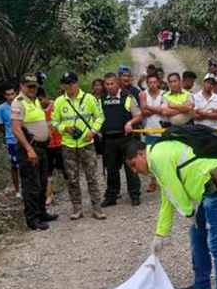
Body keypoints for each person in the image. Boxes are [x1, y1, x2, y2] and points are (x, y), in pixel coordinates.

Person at [125, 141, 217, 289]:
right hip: (209, 191)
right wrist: (160, 234)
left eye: (133, 164)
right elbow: (167, 199)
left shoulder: (157, 157)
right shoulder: (158, 160)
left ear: (141, 154)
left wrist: (188, 212)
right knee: (197, 236)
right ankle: (202, 286)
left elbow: (174, 189)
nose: (134, 171)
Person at [51, 70, 106, 220]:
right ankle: (77, 208)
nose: (67, 87)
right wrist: (64, 128)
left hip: (86, 143)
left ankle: (97, 208)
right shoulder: (59, 101)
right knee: (72, 178)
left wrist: (93, 132)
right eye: (65, 84)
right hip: (68, 145)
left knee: (92, 177)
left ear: (76, 84)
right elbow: (54, 122)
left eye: (70, 84)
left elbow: (100, 117)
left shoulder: (89, 99)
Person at [12, 74, 59, 230]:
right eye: (29, 86)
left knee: (42, 183)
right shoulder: (19, 103)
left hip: (42, 147)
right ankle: (32, 219)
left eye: (34, 86)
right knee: (32, 184)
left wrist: (47, 131)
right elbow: (16, 129)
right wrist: (28, 148)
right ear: (21, 86)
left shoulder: (34, 101)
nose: (32, 89)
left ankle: (41, 212)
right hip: (29, 149)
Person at [100, 72, 143, 207]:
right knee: (111, 169)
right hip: (109, 140)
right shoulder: (100, 100)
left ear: (117, 83)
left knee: (130, 168)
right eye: (107, 84)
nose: (110, 86)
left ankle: (135, 195)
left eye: (112, 83)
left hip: (126, 139)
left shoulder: (128, 98)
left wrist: (130, 123)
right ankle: (111, 196)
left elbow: (139, 115)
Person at [41, 87, 69, 205]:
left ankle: (71, 189)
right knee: (48, 170)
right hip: (46, 145)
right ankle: (50, 194)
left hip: (60, 143)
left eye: (41, 99)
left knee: (64, 168)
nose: (39, 102)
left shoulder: (55, 106)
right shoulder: (37, 110)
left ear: (46, 97)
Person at [140, 71, 165, 194]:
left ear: (158, 83)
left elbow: (165, 111)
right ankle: (153, 181)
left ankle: (165, 180)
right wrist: (157, 110)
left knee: (164, 156)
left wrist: (149, 108)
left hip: (162, 130)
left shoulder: (164, 94)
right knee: (151, 157)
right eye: (149, 82)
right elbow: (143, 112)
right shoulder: (143, 94)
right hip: (149, 130)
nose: (152, 84)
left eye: (154, 82)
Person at [0, 83, 21, 198]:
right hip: (11, 140)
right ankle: (17, 189)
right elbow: (1, 126)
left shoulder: (21, 104)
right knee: (14, 165)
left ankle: (27, 187)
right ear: (4, 95)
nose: (10, 96)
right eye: (8, 94)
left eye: (12, 94)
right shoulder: (1, 109)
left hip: (23, 138)